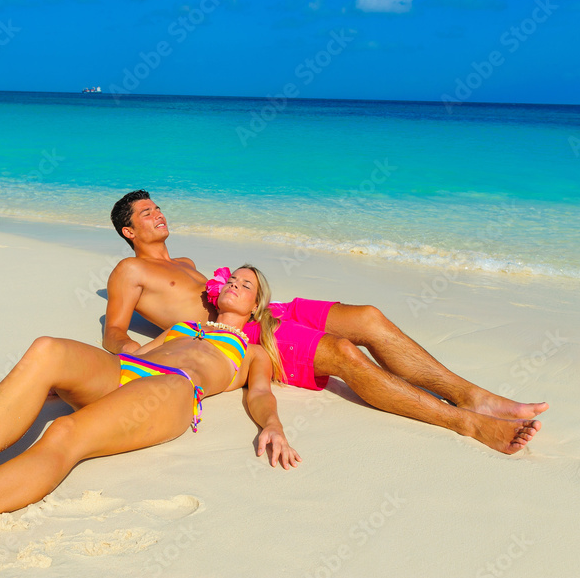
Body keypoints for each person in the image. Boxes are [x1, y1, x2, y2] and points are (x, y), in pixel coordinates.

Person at [0, 266, 299, 558]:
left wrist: (272, 425)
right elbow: (126, 347)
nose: (234, 284)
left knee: (65, 433)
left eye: (246, 284)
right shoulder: (186, 326)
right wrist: (66, 380)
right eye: (231, 278)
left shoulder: (253, 351)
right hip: (126, 369)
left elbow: (259, 395)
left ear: (258, 305)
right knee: (46, 350)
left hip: (169, 394)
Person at [104, 190, 545, 455]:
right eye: (146, 212)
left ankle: (473, 397)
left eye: (157, 207)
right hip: (237, 333)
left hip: (262, 308)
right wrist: (145, 354)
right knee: (342, 353)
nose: (158, 213)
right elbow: (114, 333)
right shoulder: (130, 272)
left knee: (368, 317)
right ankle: (464, 422)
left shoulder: (186, 260)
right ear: (128, 231)